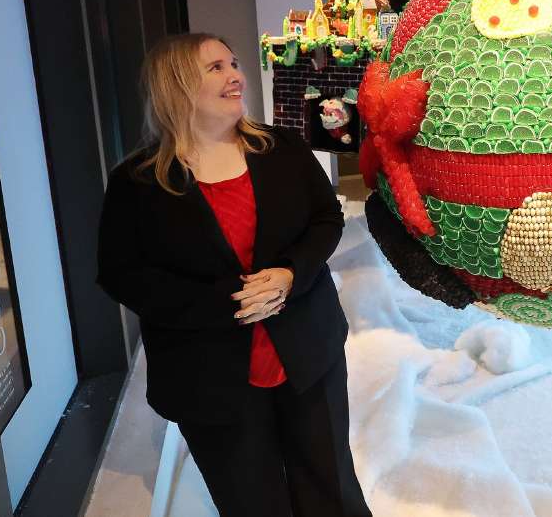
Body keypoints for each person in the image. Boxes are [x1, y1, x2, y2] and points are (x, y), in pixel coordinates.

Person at [97, 34, 371, 517]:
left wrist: (290, 273)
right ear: (176, 86)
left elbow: (325, 218)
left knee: (332, 490)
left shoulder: (281, 147)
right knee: (251, 501)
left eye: (234, 63)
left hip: (308, 352)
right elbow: (122, 274)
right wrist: (230, 301)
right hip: (208, 374)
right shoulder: (136, 182)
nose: (235, 76)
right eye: (216, 68)